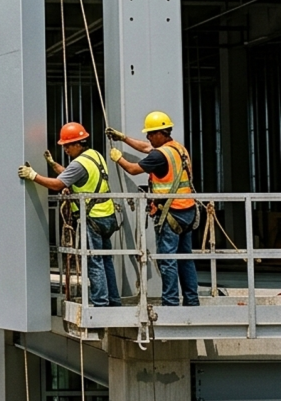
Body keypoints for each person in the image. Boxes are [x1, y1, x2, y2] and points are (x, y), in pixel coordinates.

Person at [19, 121, 122, 307]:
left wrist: (33, 175)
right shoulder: (95, 156)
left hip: (92, 218)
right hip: (107, 216)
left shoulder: (79, 163)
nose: (65, 149)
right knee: (106, 259)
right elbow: (72, 175)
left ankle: (100, 302)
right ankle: (113, 300)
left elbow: (59, 184)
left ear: (78, 143)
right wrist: (53, 165)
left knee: (94, 260)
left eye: (67, 145)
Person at [106, 111, 200, 308]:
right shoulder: (177, 149)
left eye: (150, 133)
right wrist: (123, 138)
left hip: (171, 214)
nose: (148, 137)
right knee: (185, 258)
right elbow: (147, 147)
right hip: (187, 211)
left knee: (167, 260)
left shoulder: (159, 155)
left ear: (160, 133)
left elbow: (132, 169)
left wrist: (118, 158)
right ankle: (192, 301)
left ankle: (171, 303)